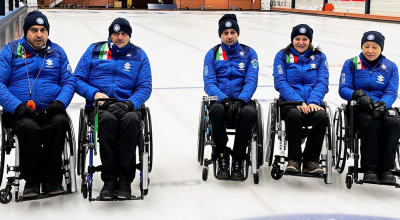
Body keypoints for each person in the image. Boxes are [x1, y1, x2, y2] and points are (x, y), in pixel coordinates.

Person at [74, 17, 152, 200]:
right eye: (116, 33)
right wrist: (94, 94)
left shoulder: (139, 55)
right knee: (107, 121)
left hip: (127, 105)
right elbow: (76, 79)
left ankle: (125, 180)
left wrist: (130, 103)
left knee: (132, 121)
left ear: (129, 36)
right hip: (101, 105)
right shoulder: (94, 50)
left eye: (123, 33)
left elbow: (145, 87)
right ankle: (109, 180)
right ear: (110, 35)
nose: (119, 37)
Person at [0, 11, 75, 198]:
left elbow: (69, 82)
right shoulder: (10, 51)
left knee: (60, 123)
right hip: (21, 113)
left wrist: (60, 102)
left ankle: (52, 180)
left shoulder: (57, 52)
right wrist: (17, 107)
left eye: (43, 30)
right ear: (25, 32)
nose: (39, 34)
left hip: (51, 110)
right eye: (34, 30)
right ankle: (32, 182)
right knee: (28, 128)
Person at [339, 31, 399, 184]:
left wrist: (383, 104)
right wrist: (358, 95)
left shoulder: (390, 67)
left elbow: (391, 92)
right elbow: (343, 88)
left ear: (381, 49)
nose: (370, 51)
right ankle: (370, 169)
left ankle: (386, 169)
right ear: (362, 46)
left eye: (374, 47)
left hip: (382, 106)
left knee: (393, 123)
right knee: (371, 122)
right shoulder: (351, 63)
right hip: (361, 108)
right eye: (366, 46)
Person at [203, 14, 259, 180]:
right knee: (216, 111)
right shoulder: (212, 54)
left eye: (232, 32)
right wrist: (223, 99)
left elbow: (251, 80)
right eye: (225, 32)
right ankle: (222, 155)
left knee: (249, 113)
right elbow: (209, 83)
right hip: (221, 100)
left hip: (243, 99)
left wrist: (242, 99)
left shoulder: (249, 53)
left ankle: (238, 157)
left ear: (237, 33)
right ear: (220, 35)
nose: (229, 36)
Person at [273, 24, 329, 175]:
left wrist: (313, 101)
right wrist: (298, 102)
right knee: (293, 115)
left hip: (313, 102)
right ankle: (294, 159)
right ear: (292, 40)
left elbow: (322, 81)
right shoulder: (282, 55)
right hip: (290, 102)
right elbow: (280, 82)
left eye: (305, 39)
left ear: (309, 40)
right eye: (297, 39)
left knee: (322, 117)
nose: (301, 42)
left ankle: (311, 160)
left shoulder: (320, 57)